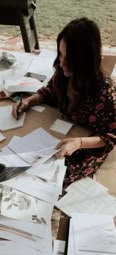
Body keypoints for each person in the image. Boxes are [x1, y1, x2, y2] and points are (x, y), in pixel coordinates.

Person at [12, 17, 116, 188]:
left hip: (86, 141)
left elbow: (110, 137)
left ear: (85, 60)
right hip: (60, 133)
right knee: (22, 157)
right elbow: (49, 91)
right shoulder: (62, 72)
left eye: (69, 58)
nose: (61, 62)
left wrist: (79, 143)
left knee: (53, 177)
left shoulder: (105, 91)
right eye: (60, 54)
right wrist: (28, 101)